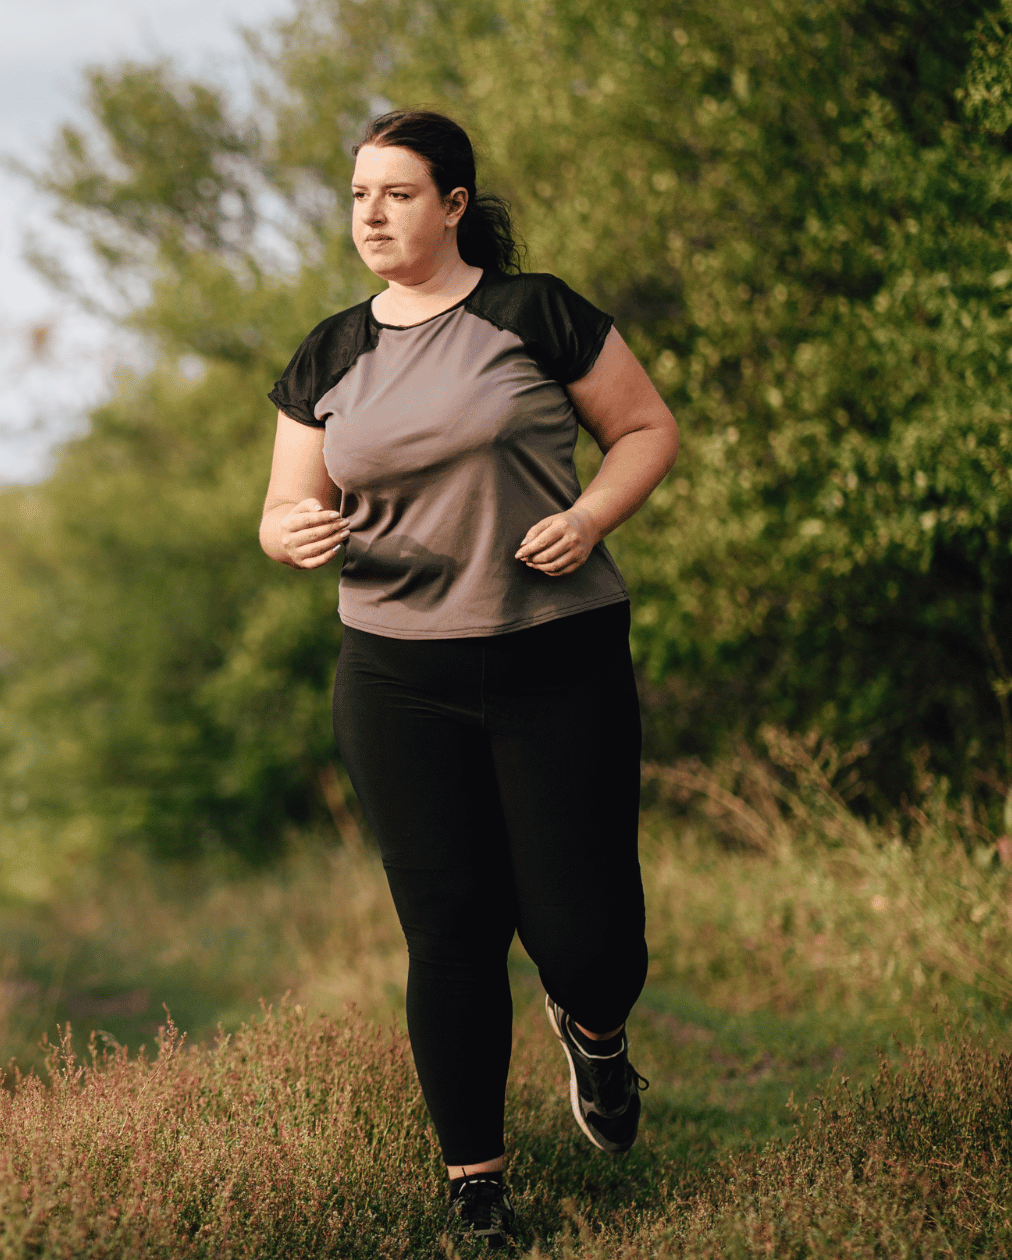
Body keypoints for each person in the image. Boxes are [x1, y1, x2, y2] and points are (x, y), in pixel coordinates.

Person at [258, 108, 679, 1250]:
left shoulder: (532, 312)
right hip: (396, 675)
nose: (372, 216)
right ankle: (476, 1193)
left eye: (396, 194)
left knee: (582, 933)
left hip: (554, 655)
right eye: (357, 197)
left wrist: (589, 516)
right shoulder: (328, 351)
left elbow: (644, 429)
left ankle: (594, 1034)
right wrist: (291, 535)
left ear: (452, 205)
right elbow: (279, 509)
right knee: (447, 928)